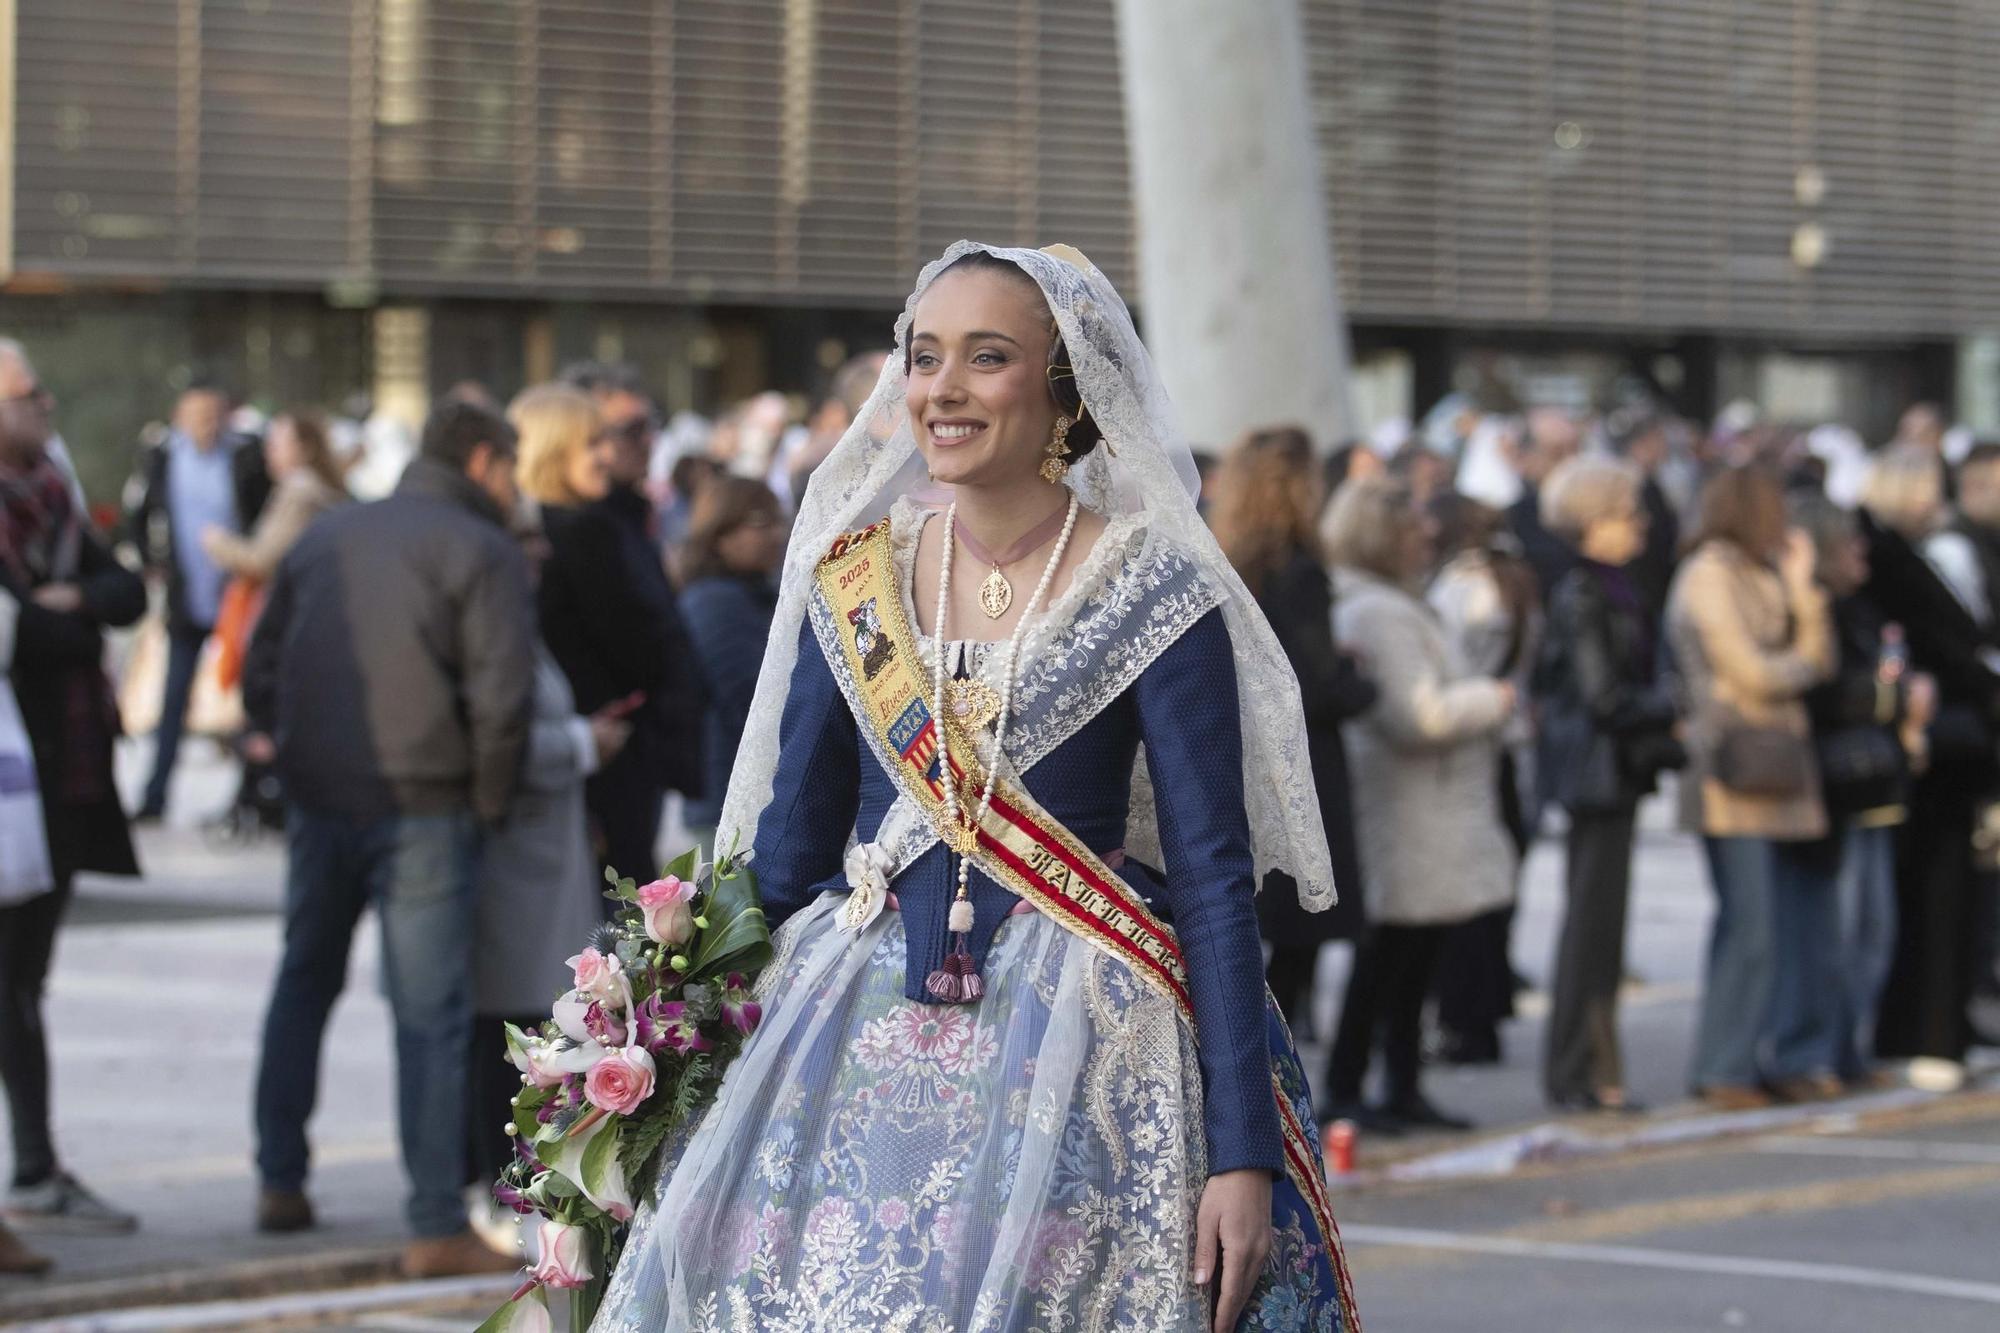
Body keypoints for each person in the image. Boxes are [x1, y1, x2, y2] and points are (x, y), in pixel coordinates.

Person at [592, 243, 1359, 1331]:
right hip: (845, 1029)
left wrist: (1241, 1152)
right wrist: (660, 1044)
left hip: (1086, 1047)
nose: (940, 388)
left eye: (986, 357)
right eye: (922, 355)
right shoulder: (848, 575)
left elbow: (1211, 880)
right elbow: (788, 850)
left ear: (1063, 394)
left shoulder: (1155, 587)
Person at [243, 397, 533, 1277]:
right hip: (427, 803)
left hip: (325, 796)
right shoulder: (481, 547)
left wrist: (291, 756)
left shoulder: (330, 534)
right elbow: (501, 699)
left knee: (304, 979)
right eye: (509, 469)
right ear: (483, 461)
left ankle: (278, 1177)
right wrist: (488, 802)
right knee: (429, 1015)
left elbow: (261, 666)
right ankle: (433, 1220)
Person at [0, 339, 145, 1260]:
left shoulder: (50, 492)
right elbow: (27, 636)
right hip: (15, 772)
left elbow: (125, 589)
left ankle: (37, 1171)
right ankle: (35, 1171)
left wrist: (68, 603)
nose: (47, 402)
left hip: (56, 775)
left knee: (23, 983)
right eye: (30, 392)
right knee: (10, 986)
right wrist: (67, 612)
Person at [1324, 476, 1517, 1133]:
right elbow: (1418, 716)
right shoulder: (1377, 610)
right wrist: (1496, 699)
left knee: (1411, 957)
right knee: (1389, 957)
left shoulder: (1389, 603)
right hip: (1409, 806)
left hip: (1424, 805)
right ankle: (1354, 1085)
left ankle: (1399, 1083)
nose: (1423, 543)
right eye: (1412, 534)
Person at [466, 508, 630, 1211]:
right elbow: (494, 736)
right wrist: (584, 743)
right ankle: (495, 1176)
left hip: (541, 848)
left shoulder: (519, 620)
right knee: (506, 1025)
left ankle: (518, 1170)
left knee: (531, 1018)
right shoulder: (495, 626)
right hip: (514, 854)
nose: (538, 552)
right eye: (524, 538)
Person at [1667, 466, 1834, 1111]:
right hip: (1731, 769)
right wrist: (1797, 664)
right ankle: (1722, 1064)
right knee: (1750, 924)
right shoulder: (1708, 573)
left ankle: (1769, 1055)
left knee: (1785, 927)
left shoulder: (1767, 573)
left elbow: (1817, 657)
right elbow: (1756, 673)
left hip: (1782, 767)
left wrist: (1803, 593)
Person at [1211, 425, 1377, 1029]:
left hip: (1244, 754)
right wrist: (1365, 684)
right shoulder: (1300, 571)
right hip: (1302, 764)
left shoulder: (1225, 560)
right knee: (1299, 930)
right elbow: (1315, 688)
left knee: (1260, 927)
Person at [1533, 457, 1683, 1112]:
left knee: (1602, 929)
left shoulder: (1612, 588)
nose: (1641, 525)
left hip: (1614, 773)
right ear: (1594, 523)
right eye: (1628, 514)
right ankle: (1577, 1071)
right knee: (1591, 928)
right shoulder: (1586, 593)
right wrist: (1672, 705)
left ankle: (1595, 1069)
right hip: (1598, 773)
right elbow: (1604, 696)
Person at [515, 383, 702, 894]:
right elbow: (635, 640)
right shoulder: (578, 531)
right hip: (600, 746)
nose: (608, 456)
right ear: (554, 452)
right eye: (593, 444)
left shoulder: (582, 523)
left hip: (600, 743)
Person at [1856, 446, 2000, 1089]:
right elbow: (1943, 645)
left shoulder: (1911, 556)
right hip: (1931, 751)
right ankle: (1922, 1030)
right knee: (1927, 897)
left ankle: (1938, 1027)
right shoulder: (1895, 559)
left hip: (1951, 746)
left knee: (1947, 896)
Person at [1793, 497, 1934, 1088]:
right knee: (1841, 928)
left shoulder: (1865, 610)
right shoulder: (1819, 609)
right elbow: (1826, 688)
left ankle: (1851, 1049)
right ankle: (1824, 1049)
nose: (1861, 555)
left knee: (1875, 927)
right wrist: (1896, 701)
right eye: (1849, 545)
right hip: (1843, 779)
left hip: (1879, 777)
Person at [1425, 492, 1539, 1066]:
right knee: (1495, 888)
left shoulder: (1463, 587)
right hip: (1507, 745)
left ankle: (1465, 1019)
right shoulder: (1515, 580)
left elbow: (1450, 668)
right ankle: (1486, 1013)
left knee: (1466, 895)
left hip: (1471, 746)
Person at [124, 381, 269, 822]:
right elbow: (140, 514)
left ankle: (252, 796)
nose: (207, 424)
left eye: (214, 414)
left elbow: (262, 515)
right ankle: (155, 797)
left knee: (252, 699)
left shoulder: (245, 456)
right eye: (198, 415)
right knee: (174, 698)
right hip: (187, 596)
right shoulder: (162, 457)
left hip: (237, 596)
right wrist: (152, 562)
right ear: (180, 416)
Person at [676, 476, 784, 856]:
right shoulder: (714, 602)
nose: (776, 533)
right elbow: (751, 701)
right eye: (760, 522)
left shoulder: (751, 594)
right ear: (719, 533)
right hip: (728, 801)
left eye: (778, 520)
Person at [198, 411, 348, 584]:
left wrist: (218, 543)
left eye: (275, 446)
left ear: (304, 448)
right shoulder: (314, 486)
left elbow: (261, 561)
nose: (268, 453)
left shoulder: (299, 490)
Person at [1605, 407, 1683, 622]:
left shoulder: (1653, 482)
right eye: (1659, 438)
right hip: (1640, 587)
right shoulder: (1627, 484)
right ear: (1643, 442)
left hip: (1655, 587)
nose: (1664, 446)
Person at [1506, 406, 1584, 597]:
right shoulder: (1513, 520)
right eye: (1557, 453)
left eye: (1576, 450)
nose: (1571, 462)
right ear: (1525, 458)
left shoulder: (1592, 510)